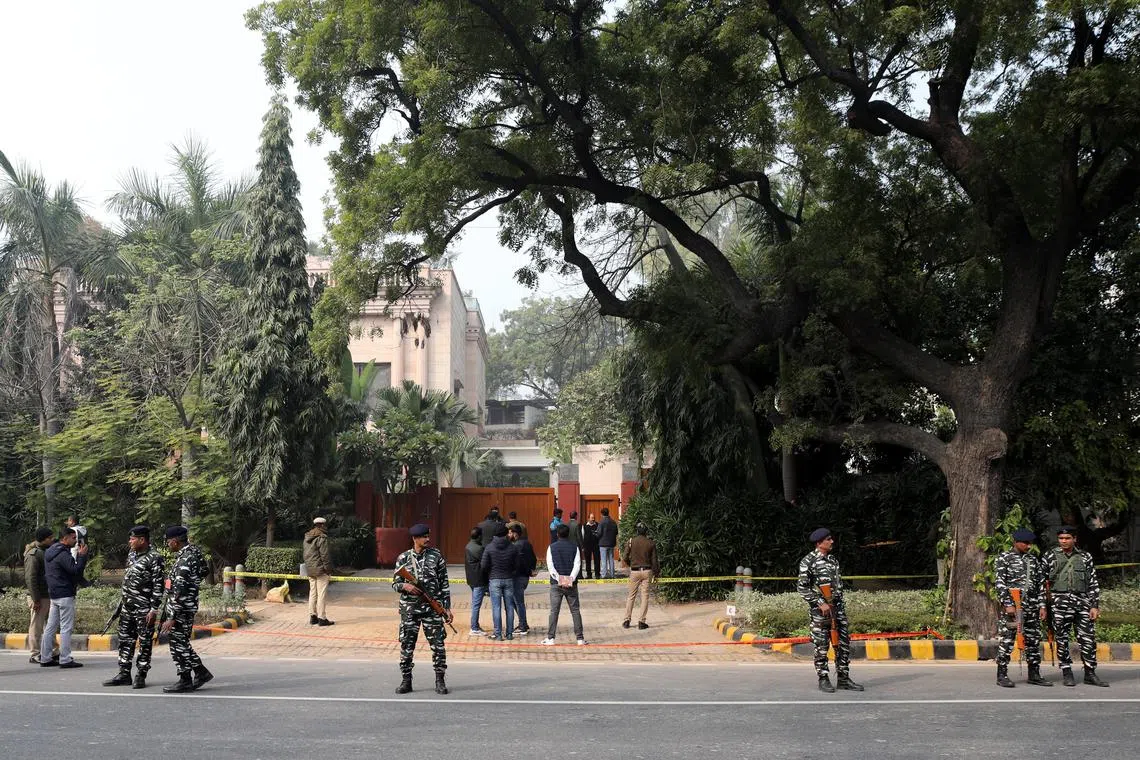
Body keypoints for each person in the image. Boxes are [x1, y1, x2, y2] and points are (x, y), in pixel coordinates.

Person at [796, 528, 863, 693]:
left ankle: (843, 678)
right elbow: (802, 588)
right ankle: (823, 678)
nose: (832, 541)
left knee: (843, 643)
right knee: (822, 645)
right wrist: (820, 602)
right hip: (821, 612)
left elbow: (837, 587)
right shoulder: (808, 561)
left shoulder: (833, 560)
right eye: (828, 539)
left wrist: (838, 604)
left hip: (837, 609)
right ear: (819, 543)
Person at [1043, 525, 1108, 687]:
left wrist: (1094, 605)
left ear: (1074, 539)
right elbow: (1042, 583)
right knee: (1062, 639)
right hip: (1059, 604)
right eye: (1061, 538)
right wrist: (1042, 605)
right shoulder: (1050, 556)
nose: (1064, 541)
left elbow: (1092, 582)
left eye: (1067, 538)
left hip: (1082, 603)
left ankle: (1090, 672)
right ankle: (1067, 672)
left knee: (1088, 639)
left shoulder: (1085, 557)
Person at [392, 523, 453, 694]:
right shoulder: (403, 558)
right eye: (424, 537)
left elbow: (444, 583)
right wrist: (406, 586)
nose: (427, 539)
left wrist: (446, 608)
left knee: (438, 645)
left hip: (432, 609)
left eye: (428, 536)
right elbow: (394, 584)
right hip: (410, 610)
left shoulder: (436, 556)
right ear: (414, 538)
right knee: (407, 645)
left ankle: (440, 680)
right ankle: (406, 681)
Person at [103, 525, 165, 689]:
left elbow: (158, 586)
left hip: (144, 610)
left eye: (132, 539)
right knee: (125, 640)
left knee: (144, 642)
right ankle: (124, 673)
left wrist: (154, 609)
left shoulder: (155, 558)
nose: (130, 541)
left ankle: (141, 674)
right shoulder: (132, 555)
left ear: (142, 540)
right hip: (127, 608)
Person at [993, 528, 1050, 688]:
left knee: (1033, 641)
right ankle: (1002, 674)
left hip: (1031, 607)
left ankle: (1034, 674)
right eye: (1025, 543)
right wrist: (1008, 604)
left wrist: (1041, 605)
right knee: (1008, 640)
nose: (1028, 546)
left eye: (1030, 543)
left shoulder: (1033, 560)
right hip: (1014, 607)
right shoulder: (1005, 558)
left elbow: (1039, 585)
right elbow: (1000, 583)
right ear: (1015, 542)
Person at [160, 525, 213, 693]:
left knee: (178, 644)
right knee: (182, 643)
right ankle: (201, 672)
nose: (168, 545)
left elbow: (179, 591)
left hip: (181, 609)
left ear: (175, 542)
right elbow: (204, 570)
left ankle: (185, 680)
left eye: (168, 542)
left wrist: (172, 616)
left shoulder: (185, 560)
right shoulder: (193, 554)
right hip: (186, 606)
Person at [40, 527, 88, 669]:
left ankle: (45, 657)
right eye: (73, 538)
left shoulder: (50, 551)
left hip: (54, 594)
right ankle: (65, 659)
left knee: (50, 627)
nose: (75, 541)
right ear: (65, 538)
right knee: (66, 628)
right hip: (65, 594)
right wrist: (82, 556)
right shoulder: (63, 554)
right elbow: (75, 570)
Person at [543, 523, 586, 646]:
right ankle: (580, 638)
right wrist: (570, 579)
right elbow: (577, 565)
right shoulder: (575, 547)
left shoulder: (551, 547)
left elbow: (550, 567)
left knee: (554, 611)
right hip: (571, 584)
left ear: (557, 534)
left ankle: (551, 638)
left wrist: (559, 579)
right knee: (575, 611)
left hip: (556, 584)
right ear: (568, 534)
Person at [480, 524, 519, 640]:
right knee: (510, 607)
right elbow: (517, 565)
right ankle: (509, 633)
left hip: (494, 579)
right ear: (506, 533)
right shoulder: (512, 547)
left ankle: (497, 634)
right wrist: (511, 572)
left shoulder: (489, 547)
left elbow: (483, 565)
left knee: (496, 607)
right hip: (508, 579)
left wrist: (490, 573)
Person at [24, 527, 55, 664]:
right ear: (44, 539)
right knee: (36, 625)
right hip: (38, 596)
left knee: (50, 625)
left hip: (46, 594)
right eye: (50, 538)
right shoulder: (34, 554)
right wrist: (36, 599)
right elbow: (31, 578)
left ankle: (53, 650)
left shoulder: (44, 551)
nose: (52, 540)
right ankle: (35, 653)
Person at [622, 522, 659, 630]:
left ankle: (626, 620)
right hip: (647, 571)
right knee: (645, 597)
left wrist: (631, 565)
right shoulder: (651, 543)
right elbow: (654, 561)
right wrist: (656, 574)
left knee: (631, 596)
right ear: (646, 531)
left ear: (637, 531)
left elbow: (624, 557)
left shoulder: (631, 542)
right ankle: (641, 622)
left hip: (634, 571)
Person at [303, 516, 334, 626]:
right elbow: (325, 555)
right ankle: (322, 618)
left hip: (310, 569)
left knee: (313, 593)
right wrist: (328, 569)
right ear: (322, 525)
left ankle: (313, 616)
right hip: (320, 570)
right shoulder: (322, 537)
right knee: (321, 594)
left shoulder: (307, 537)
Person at [510, 523, 537, 635]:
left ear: (515, 534)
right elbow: (534, 559)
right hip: (524, 576)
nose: (509, 534)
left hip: (518, 577)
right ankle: (523, 623)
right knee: (514, 601)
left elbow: (520, 562)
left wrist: (527, 571)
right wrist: (531, 570)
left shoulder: (516, 546)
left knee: (518, 602)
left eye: (510, 532)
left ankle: (522, 626)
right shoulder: (527, 543)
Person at [464, 526, 489, 635]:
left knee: (475, 603)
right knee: (476, 604)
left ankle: (476, 625)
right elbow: (486, 562)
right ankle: (474, 627)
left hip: (472, 578)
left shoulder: (468, 545)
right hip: (479, 579)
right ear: (479, 536)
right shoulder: (479, 549)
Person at [597, 508, 618, 579]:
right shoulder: (613, 522)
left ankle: (604, 575)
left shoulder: (601, 522)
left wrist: (595, 534)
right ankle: (612, 575)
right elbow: (616, 532)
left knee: (603, 560)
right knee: (611, 559)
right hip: (611, 543)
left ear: (602, 514)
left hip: (603, 543)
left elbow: (599, 533)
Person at [582, 514, 600, 580]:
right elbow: (582, 536)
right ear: (588, 518)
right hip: (587, 546)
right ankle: (589, 574)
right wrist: (583, 546)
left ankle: (597, 574)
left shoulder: (597, 525)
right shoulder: (584, 526)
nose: (593, 519)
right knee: (588, 560)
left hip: (596, 545)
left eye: (594, 518)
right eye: (592, 518)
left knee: (597, 560)